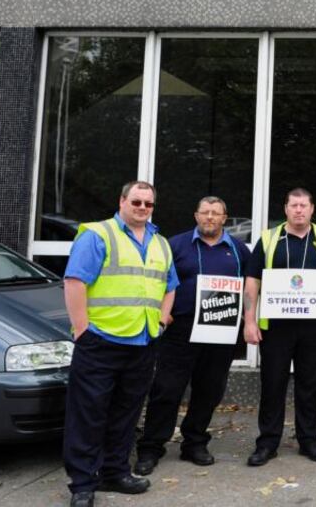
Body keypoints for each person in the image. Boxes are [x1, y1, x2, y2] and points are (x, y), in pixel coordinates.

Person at [63, 181, 178, 507]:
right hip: (101, 341)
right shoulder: (98, 235)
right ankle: (83, 484)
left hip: (142, 341)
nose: (142, 208)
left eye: (148, 204)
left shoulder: (161, 243)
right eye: (137, 202)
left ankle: (115, 471)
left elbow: (170, 285)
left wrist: (160, 319)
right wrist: (82, 328)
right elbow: (74, 281)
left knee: (126, 414)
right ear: (122, 201)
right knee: (88, 415)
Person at [134, 196, 252, 475]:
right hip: (180, 328)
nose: (210, 217)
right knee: (166, 389)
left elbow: (250, 286)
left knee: (209, 389)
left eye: (216, 213)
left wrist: (248, 319)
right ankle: (151, 447)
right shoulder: (174, 245)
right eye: (205, 212)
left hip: (220, 327)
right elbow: (155, 280)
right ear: (196, 215)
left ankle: (195, 443)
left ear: (225, 218)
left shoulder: (238, 250)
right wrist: (163, 311)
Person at [242, 188, 316, 466]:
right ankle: (267, 443)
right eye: (294, 205)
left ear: (312, 209)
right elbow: (252, 280)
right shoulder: (269, 239)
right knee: (272, 383)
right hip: (276, 326)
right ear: (285, 209)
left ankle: (309, 440)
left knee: (310, 384)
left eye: (304, 205)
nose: (299, 210)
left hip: (315, 326)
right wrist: (249, 322)